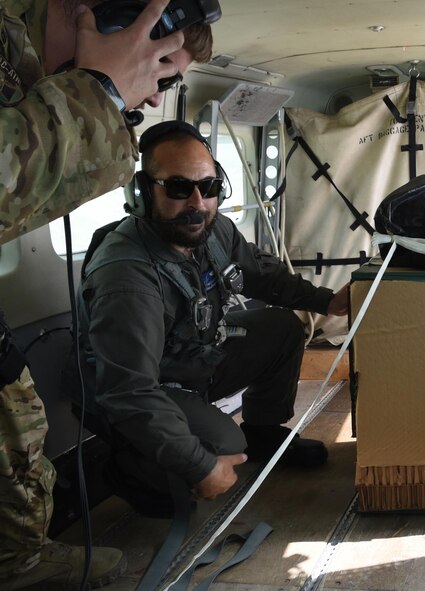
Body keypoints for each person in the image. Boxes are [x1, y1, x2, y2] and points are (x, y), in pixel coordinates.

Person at [0, 0, 213, 588]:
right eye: (153, 69)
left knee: (19, 432)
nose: (147, 97)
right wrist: (98, 90)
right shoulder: (127, 263)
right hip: (141, 388)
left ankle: (20, 559)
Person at [75, 120, 349, 518]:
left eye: (210, 187)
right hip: (133, 390)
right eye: (179, 188)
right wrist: (199, 466)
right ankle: (130, 468)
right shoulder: (127, 275)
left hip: (193, 359)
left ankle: (263, 432)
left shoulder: (213, 229)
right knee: (221, 448)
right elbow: (128, 390)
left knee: (281, 326)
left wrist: (328, 302)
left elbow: (261, 275)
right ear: (142, 193)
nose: (198, 203)